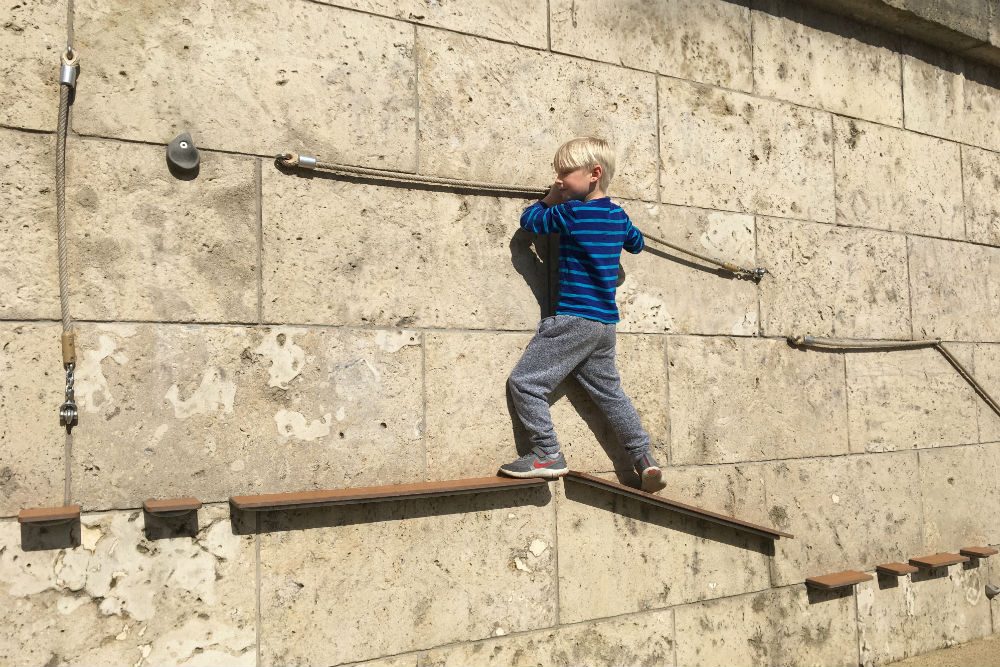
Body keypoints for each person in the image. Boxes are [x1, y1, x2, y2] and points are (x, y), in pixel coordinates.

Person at [498, 137, 666, 493]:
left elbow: (530, 221)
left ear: (594, 173)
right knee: (611, 394)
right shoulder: (617, 216)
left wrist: (549, 198)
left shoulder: (571, 213)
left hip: (574, 318)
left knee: (526, 383)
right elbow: (636, 243)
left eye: (564, 173)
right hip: (605, 324)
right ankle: (644, 458)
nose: (559, 180)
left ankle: (546, 453)